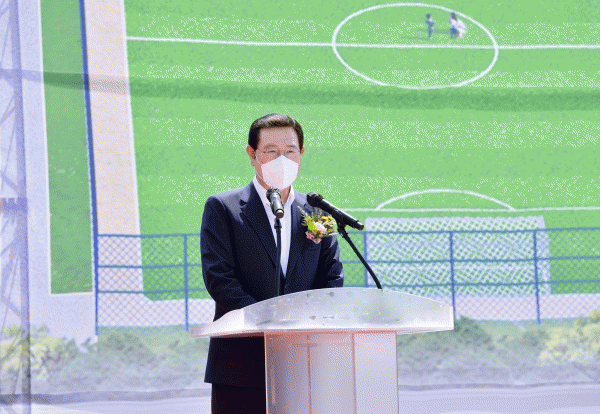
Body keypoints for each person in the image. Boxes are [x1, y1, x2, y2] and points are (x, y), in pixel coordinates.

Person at [200, 113, 344, 414]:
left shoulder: (318, 212)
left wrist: (301, 328)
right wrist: (269, 324)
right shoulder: (223, 208)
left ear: (301, 153)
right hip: (241, 364)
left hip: (304, 363)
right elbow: (219, 278)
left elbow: (332, 280)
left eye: (290, 151)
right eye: (271, 151)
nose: (282, 159)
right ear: (252, 154)